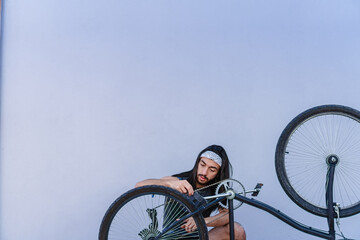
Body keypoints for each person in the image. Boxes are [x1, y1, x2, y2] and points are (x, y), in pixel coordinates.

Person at [135, 144, 246, 240]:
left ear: (218, 173)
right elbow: (139, 185)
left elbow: (227, 215)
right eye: (202, 164)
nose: (204, 172)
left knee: (237, 230)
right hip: (170, 238)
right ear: (197, 163)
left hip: (197, 238)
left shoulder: (216, 190)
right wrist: (170, 184)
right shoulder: (179, 181)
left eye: (212, 170)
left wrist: (201, 221)